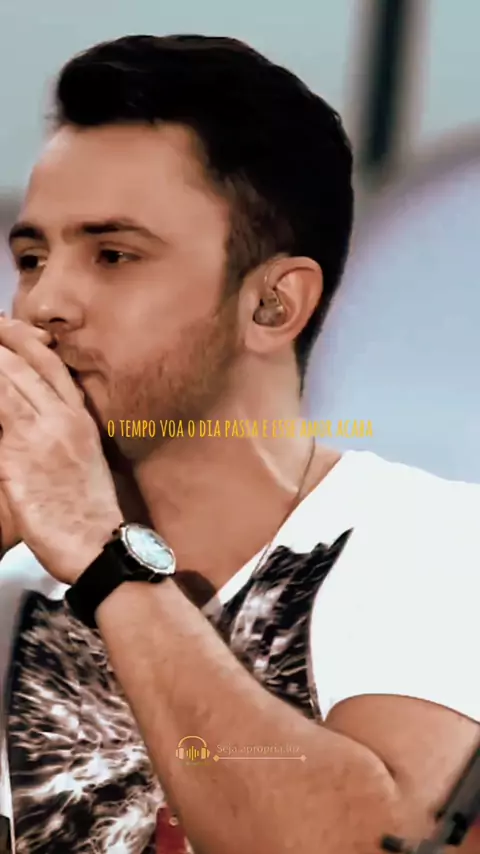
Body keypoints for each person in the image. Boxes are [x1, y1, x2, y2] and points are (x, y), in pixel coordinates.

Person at [0, 33, 479, 854]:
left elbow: (373, 843)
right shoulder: (15, 580)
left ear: (272, 305)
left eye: (113, 255)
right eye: (33, 257)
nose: (45, 303)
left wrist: (102, 555)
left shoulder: (434, 542)